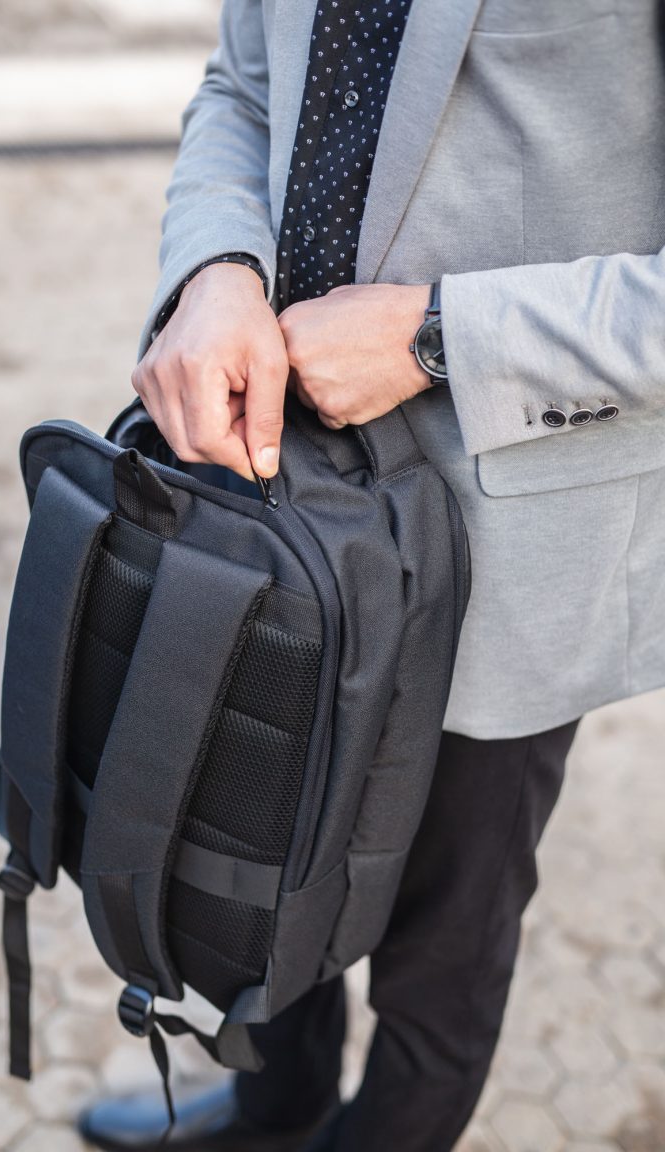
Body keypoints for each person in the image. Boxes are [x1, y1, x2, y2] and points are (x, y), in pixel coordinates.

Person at [78, 1, 665, 1149]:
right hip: (267, 486)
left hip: (505, 540)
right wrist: (215, 267)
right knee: (253, 853)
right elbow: (242, 87)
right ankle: (276, 1108)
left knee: (443, 950)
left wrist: (437, 334)